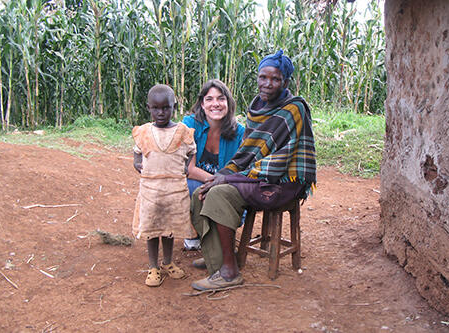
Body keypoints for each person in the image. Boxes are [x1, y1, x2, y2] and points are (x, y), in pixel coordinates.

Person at [189, 50, 317, 291]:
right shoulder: (256, 107)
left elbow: (281, 159)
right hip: (256, 178)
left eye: (275, 79)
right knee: (202, 192)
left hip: (281, 183)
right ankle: (216, 259)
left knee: (217, 193)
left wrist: (233, 178)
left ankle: (229, 273)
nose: (267, 84)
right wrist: (226, 174)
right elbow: (248, 152)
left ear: (285, 82)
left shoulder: (294, 110)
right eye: (263, 77)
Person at [132, 84, 196, 287]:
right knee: (152, 228)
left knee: (169, 228)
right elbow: (137, 151)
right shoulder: (144, 132)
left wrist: (186, 166)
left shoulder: (182, 131)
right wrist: (136, 162)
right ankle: (153, 267)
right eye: (156, 108)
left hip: (174, 190)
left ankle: (167, 262)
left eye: (166, 108)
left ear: (174, 107)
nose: (161, 113)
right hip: (151, 190)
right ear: (148, 108)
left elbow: (192, 151)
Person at [181, 79, 245, 251]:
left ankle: (216, 235)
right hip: (200, 182)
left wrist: (221, 183)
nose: (215, 104)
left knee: (222, 192)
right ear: (202, 104)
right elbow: (189, 169)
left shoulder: (240, 133)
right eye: (209, 99)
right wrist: (216, 180)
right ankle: (193, 232)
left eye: (221, 99)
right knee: (188, 186)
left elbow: (242, 171)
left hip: (224, 187)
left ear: (228, 103)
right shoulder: (189, 125)